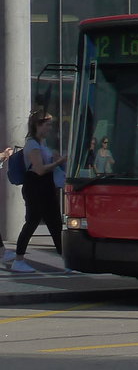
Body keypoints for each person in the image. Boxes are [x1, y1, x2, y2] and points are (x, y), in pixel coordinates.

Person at [7, 112, 68, 274]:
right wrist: (58, 162)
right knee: (32, 222)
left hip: (46, 188)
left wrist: (56, 159)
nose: (50, 127)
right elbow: (39, 170)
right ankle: (18, 260)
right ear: (38, 125)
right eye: (47, 124)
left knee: (55, 224)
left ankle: (66, 262)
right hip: (35, 187)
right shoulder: (32, 145)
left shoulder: (42, 143)